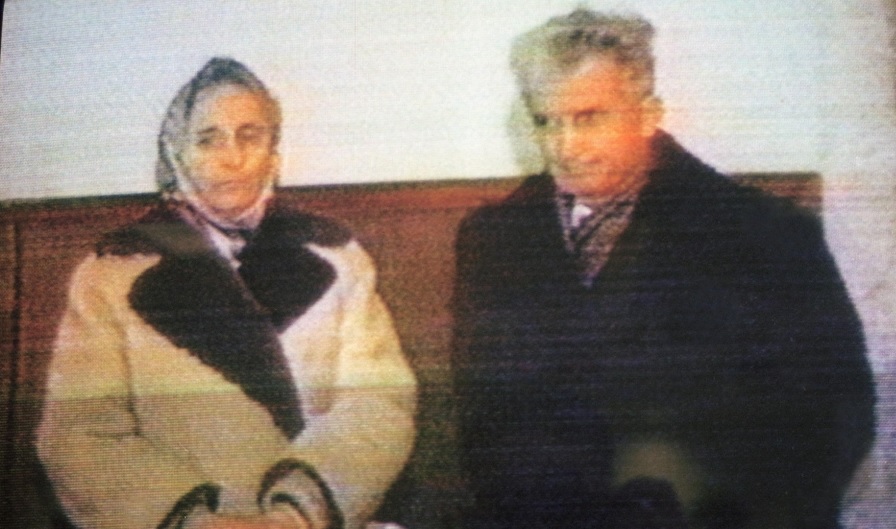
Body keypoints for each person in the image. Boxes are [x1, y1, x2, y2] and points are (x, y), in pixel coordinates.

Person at [452, 9, 875, 529]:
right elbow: (484, 429)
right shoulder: (492, 241)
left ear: (648, 115)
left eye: (589, 118)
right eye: (546, 121)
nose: (565, 146)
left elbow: (833, 421)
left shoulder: (764, 233)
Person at [36, 57, 417, 529]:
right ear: (177, 155)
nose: (231, 157)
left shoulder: (339, 258)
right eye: (208, 139)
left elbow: (378, 407)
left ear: (274, 153)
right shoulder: (111, 274)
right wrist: (195, 521)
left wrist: (296, 514)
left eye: (249, 136)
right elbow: (80, 435)